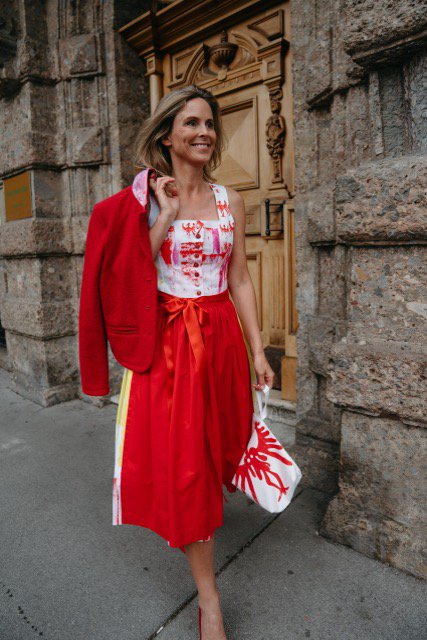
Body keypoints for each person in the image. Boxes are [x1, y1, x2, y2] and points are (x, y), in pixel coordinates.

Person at [109, 84, 274, 640]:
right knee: (188, 470)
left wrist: (258, 349)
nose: (204, 132)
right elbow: (131, 274)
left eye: (209, 123)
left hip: (221, 338)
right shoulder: (145, 199)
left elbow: (240, 277)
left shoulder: (232, 200)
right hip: (171, 346)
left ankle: (203, 521)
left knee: (222, 446)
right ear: (167, 135)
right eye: (191, 123)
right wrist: (169, 213)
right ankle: (210, 600)